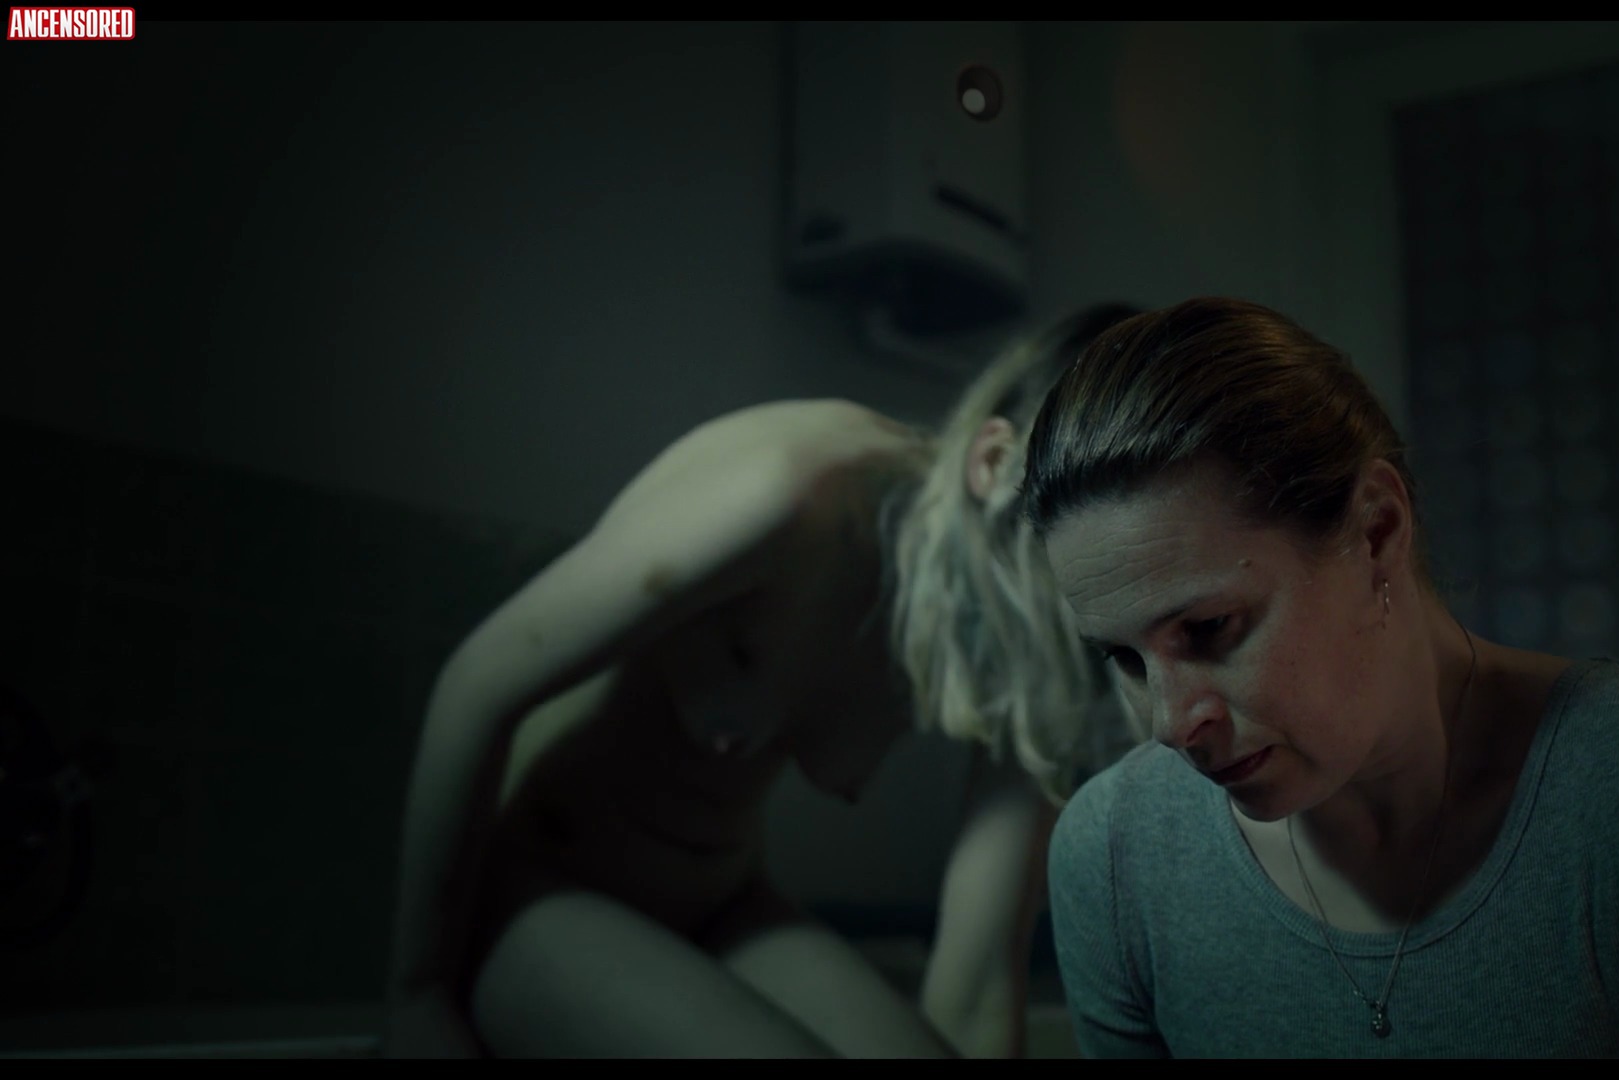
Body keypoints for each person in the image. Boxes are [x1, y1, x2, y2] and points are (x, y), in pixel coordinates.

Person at [1021, 296, 1619, 1058]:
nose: (1170, 723)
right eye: (1125, 658)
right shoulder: (1115, 856)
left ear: (1376, 532)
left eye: (1211, 629)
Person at [382, 302, 1146, 1059]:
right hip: (538, 887)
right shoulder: (796, 493)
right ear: (993, 464)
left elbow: (977, 984)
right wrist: (418, 996)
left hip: (725, 904)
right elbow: (479, 684)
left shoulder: (1042, 644)